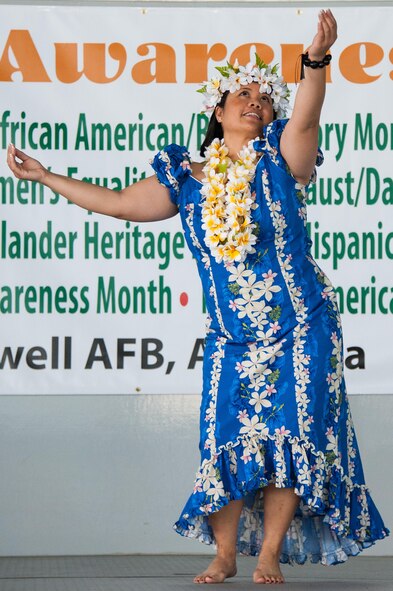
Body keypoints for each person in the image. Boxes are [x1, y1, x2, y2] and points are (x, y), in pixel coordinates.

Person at [7, 9, 389, 585]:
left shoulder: (284, 160)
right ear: (216, 108)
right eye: (242, 92)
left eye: (265, 96)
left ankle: (269, 553)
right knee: (226, 436)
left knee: (292, 430)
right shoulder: (185, 178)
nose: (254, 100)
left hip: (301, 324)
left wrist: (314, 60)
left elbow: (308, 113)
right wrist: (45, 176)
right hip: (232, 333)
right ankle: (226, 552)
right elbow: (115, 203)